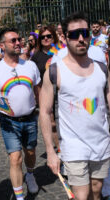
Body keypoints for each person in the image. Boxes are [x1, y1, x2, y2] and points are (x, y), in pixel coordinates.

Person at [39, 12, 110, 200]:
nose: (81, 39)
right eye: (74, 34)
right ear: (64, 37)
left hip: (101, 142)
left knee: (96, 191)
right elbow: (45, 113)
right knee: (81, 195)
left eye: (84, 33)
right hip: (73, 145)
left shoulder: (102, 69)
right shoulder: (55, 71)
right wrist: (50, 151)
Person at [0, 28, 41, 200]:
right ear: (2, 45)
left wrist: (45, 112)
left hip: (30, 118)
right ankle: (19, 197)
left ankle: (30, 174)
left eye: (19, 39)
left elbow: (38, 91)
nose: (18, 43)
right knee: (15, 158)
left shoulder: (30, 65)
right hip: (9, 121)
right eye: (13, 41)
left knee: (30, 153)